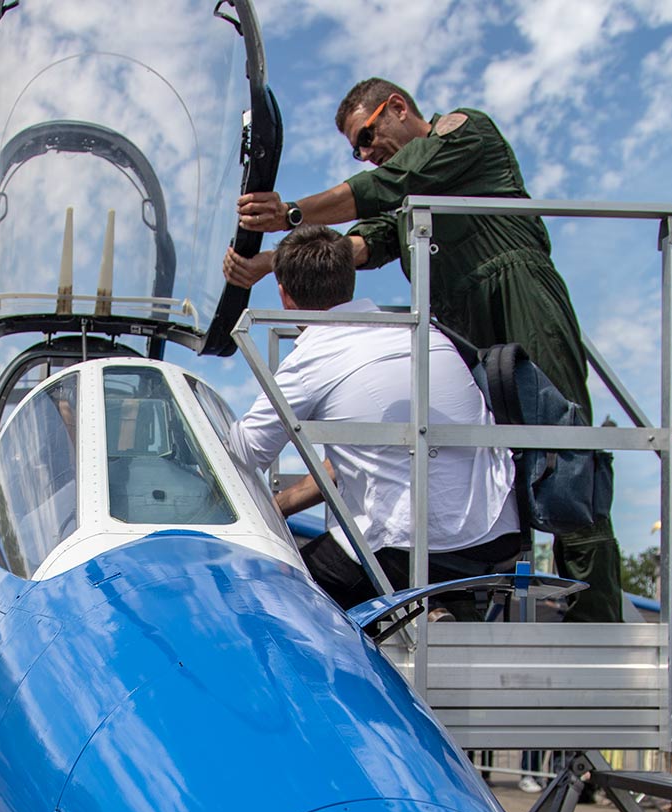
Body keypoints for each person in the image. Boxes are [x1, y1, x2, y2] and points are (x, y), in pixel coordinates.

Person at [224, 78, 622, 623]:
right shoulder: (409, 204)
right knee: (480, 456)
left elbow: (390, 182)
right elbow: (355, 247)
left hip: (515, 294)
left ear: (397, 108)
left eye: (366, 136)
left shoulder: (463, 134)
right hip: (460, 326)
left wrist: (292, 213)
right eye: (356, 149)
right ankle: (467, 594)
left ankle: (596, 617)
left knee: (563, 455)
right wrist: (270, 264)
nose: (365, 152)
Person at [224, 226, 520, 616]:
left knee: (277, 588)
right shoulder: (425, 335)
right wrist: (279, 506)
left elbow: (241, 457)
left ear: (284, 294)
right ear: (349, 280)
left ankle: (411, 608)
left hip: (413, 548)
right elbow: (369, 453)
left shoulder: (314, 356)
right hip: (496, 533)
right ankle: (433, 605)